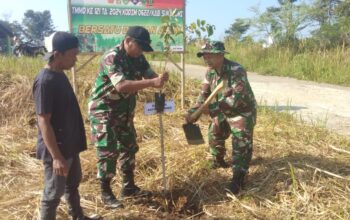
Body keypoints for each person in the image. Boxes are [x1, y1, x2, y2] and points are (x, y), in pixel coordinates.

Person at [88, 26, 169, 208]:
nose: (141, 51)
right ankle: (106, 193)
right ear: (127, 41)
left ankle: (128, 187)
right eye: (139, 46)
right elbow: (122, 86)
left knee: (129, 145)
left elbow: (150, 75)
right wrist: (151, 83)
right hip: (104, 110)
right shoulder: (112, 57)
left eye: (143, 48)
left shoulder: (138, 57)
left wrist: (160, 79)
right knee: (107, 150)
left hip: (124, 110)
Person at [33, 31, 95, 220]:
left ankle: (78, 216)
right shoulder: (45, 81)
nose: (76, 59)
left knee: (72, 185)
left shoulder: (59, 74)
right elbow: (43, 121)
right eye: (73, 54)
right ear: (57, 54)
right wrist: (57, 157)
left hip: (69, 146)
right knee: (52, 195)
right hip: (57, 150)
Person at [185, 41, 257, 195]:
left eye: (209, 55)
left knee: (241, 142)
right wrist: (194, 111)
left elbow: (235, 100)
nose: (206, 59)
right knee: (214, 132)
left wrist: (209, 109)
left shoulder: (236, 70)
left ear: (220, 55)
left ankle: (238, 178)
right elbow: (203, 95)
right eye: (204, 56)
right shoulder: (209, 72)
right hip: (223, 110)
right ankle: (218, 161)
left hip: (242, 111)